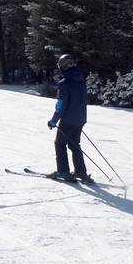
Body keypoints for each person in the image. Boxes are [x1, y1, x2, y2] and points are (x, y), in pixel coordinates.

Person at [47, 54, 93, 184]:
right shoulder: (81, 80)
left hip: (67, 120)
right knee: (74, 144)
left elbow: (61, 104)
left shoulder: (64, 83)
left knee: (60, 144)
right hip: (80, 119)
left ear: (64, 67)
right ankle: (80, 172)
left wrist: (53, 120)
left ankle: (63, 171)